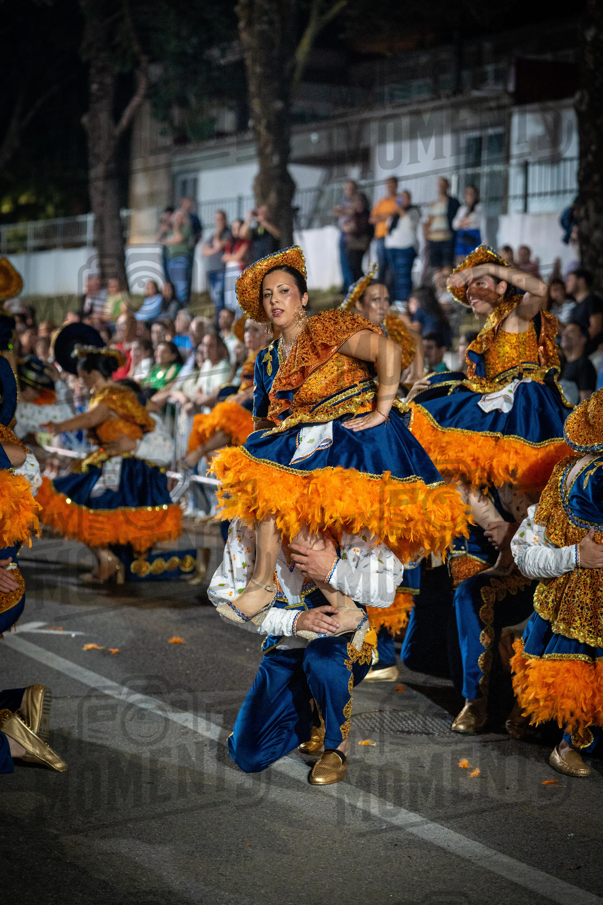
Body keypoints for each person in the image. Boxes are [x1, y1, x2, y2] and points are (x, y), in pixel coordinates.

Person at [209, 245, 468, 626]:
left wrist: (382, 409)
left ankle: (276, 589)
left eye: (284, 291)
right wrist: (262, 461)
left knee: (338, 534)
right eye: (268, 295)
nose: (275, 300)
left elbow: (389, 352)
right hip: (303, 447)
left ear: (304, 298)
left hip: (354, 440)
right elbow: (265, 424)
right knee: (274, 497)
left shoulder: (326, 327)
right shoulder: (266, 360)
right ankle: (315, 600)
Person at [208, 516, 403, 783]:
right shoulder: (247, 524)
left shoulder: (345, 519)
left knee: (322, 658)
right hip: (286, 649)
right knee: (249, 755)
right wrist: (294, 622)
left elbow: (386, 591)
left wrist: (332, 568)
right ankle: (312, 715)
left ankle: (337, 747)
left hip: (340, 647)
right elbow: (228, 604)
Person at [408, 245, 572, 492]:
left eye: (480, 284)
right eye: (469, 288)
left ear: (502, 286)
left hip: (526, 407)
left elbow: (540, 289)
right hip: (496, 406)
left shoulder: (516, 314)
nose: (471, 293)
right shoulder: (486, 333)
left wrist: (486, 268)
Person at [37, 324, 182, 582]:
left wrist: (59, 426)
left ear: (92, 375)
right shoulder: (119, 397)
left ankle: (110, 561)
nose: (81, 381)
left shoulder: (109, 398)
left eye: (83, 375)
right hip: (116, 468)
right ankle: (109, 561)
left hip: (129, 474)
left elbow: (93, 418)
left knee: (73, 503)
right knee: (85, 510)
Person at [511, 390, 603, 776]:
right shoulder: (586, 474)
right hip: (582, 600)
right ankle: (567, 742)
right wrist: (575, 557)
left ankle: (539, 727)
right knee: (580, 675)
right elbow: (527, 550)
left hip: (559, 596)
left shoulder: (566, 469)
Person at [183, 319, 271, 470]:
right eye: (247, 330)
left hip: (258, 410)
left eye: (255, 330)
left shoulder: (270, 355)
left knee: (231, 415)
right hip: (244, 402)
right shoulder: (252, 356)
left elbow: (267, 385)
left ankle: (200, 451)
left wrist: (243, 396)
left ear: (268, 334)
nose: (248, 334)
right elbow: (239, 383)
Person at [383, 189, 420, 302]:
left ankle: (404, 301)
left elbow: (411, 225)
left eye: (404, 197)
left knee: (403, 277)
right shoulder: (394, 214)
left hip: (405, 247)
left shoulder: (413, 211)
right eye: (400, 198)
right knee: (393, 276)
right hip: (391, 248)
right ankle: (394, 300)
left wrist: (401, 211)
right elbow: (387, 227)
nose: (401, 200)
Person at [333, 180, 371, 292]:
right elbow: (336, 211)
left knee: (354, 265)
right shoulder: (344, 200)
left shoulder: (360, 199)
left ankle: (355, 286)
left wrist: (346, 211)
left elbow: (358, 212)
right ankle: (348, 285)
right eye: (347, 188)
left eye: (351, 188)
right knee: (346, 262)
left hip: (356, 238)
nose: (348, 190)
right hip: (347, 235)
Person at [423, 177, 460, 275]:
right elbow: (427, 222)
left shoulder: (453, 202)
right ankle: (439, 289)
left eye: (443, 185)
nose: (441, 187)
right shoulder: (433, 204)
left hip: (447, 239)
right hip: (434, 240)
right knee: (436, 268)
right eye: (439, 185)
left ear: (448, 186)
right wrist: (427, 237)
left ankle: (448, 289)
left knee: (448, 266)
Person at [369, 176, 400, 286]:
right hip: (380, 237)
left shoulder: (399, 200)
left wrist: (381, 217)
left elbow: (397, 215)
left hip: (393, 237)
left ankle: (391, 291)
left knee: (392, 266)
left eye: (392, 184)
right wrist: (388, 215)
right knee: (382, 265)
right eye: (388, 185)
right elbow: (372, 219)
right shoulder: (381, 202)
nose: (390, 187)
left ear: (396, 185)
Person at [202, 210, 232, 322]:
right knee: (214, 299)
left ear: (225, 220)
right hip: (211, 270)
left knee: (219, 298)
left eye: (220, 219)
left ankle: (220, 322)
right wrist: (214, 249)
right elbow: (204, 251)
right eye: (216, 219)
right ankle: (219, 320)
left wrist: (218, 233)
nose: (218, 222)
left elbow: (218, 245)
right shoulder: (212, 236)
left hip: (220, 270)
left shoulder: (227, 234)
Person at [565, 268, 603, 354]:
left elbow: (595, 328)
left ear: (581, 281)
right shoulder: (575, 308)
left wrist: (579, 343)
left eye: (570, 280)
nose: (566, 283)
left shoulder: (592, 300)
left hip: (595, 350)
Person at [560, 321, 597, 401]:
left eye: (571, 332)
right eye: (564, 332)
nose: (564, 335)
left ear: (583, 339)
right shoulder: (565, 365)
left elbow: (586, 403)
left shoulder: (584, 365)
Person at [164, 208, 193, 307]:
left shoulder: (186, 228)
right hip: (171, 258)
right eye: (176, 217)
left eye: (180, 216)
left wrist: (175, 228)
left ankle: (182, 304)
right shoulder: (171, 231)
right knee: (174, 283)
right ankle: (176, 303)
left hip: (181, 258)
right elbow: (165, 241)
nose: (177, 219)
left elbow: (179, 238)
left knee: (181, 283)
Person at [223, 218, 250, 316]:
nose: (235, 230)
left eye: (237, 228)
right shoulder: (231, 243)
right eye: (233, 228)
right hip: (230, 275)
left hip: (240, 273)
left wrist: (233, 258)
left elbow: (240, 256)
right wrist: (235, 258)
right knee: (230, 301)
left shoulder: (245, 241)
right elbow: (224, 258)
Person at [452, 185, 485, 260]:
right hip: (462, 236)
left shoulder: (479, 207)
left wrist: (463, 221)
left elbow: (474, 219)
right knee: (461, 260)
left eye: (471, 193)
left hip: (473, 236)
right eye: (467, 193)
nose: (469, 195)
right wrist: (466, 221)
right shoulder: (462, 209)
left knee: (474, 260)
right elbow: (455, 224)